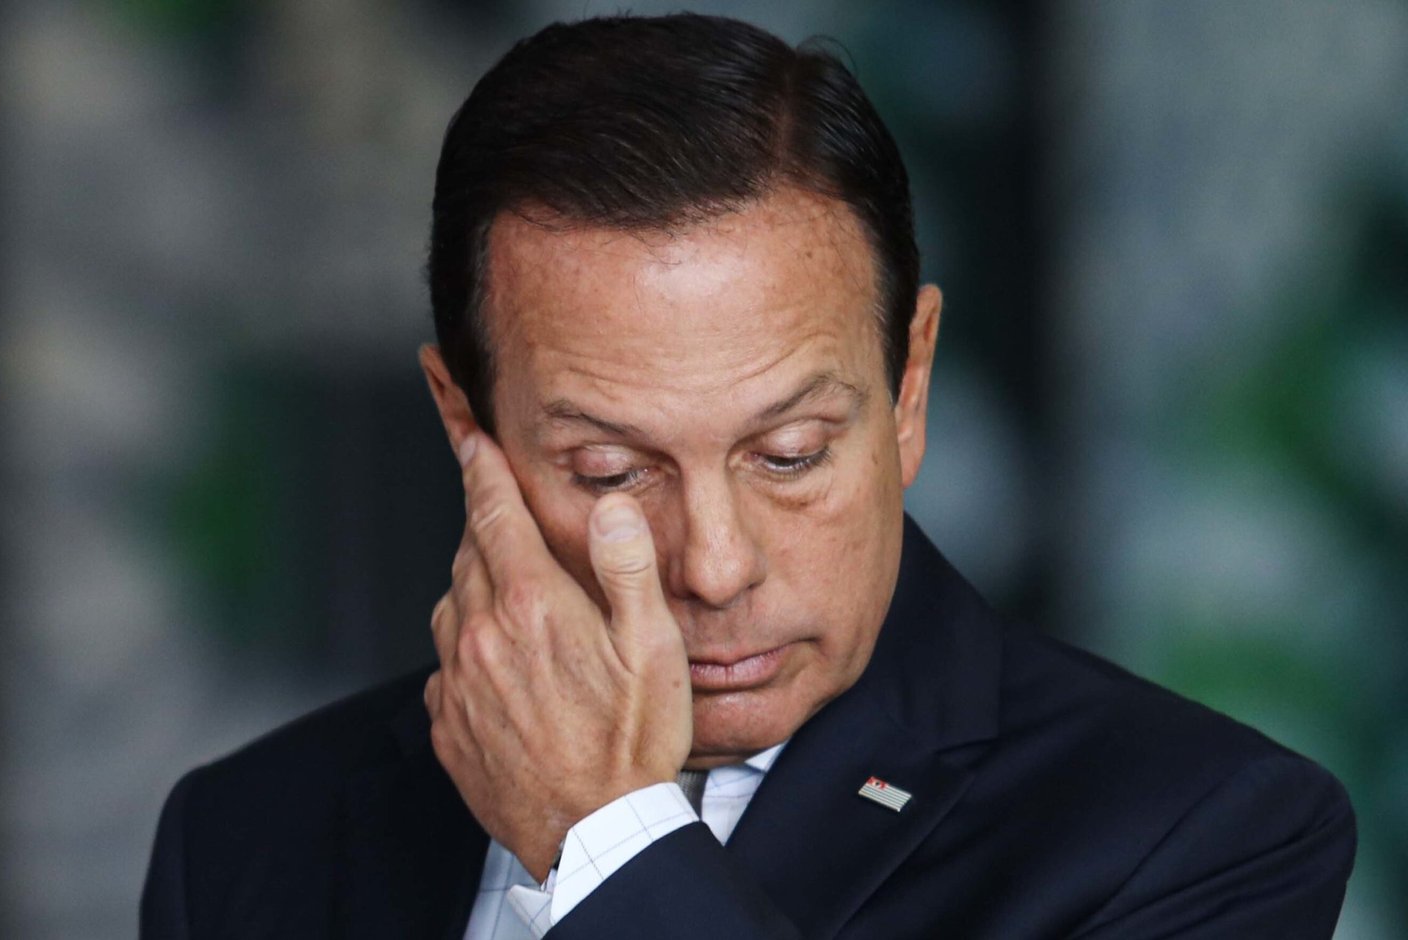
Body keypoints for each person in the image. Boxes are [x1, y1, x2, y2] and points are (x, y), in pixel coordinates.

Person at [141, 14, 1356, 938]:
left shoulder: (1197, 833)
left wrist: (602, 837)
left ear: (908, 390)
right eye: (611, 471)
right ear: (465, 423)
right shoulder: (251, 834)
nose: (715, 566)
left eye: (789, 455)